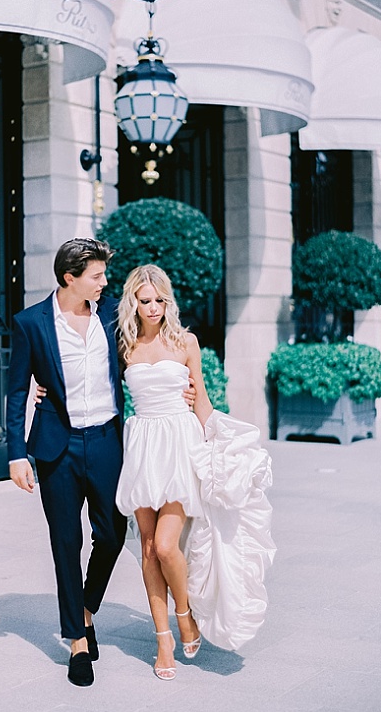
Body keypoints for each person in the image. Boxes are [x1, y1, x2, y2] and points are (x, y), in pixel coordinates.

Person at [113, 265, 275, 680]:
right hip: (143, 446)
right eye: (144, 301)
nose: (152, 308)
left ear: (169, 301)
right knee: (147, 548)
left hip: (179, 446)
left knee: (167, 546)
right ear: (133, 303)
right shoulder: (125, 345)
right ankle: (163, 639)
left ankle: (185, 615)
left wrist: (224, 444)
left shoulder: (185, 342)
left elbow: (200, 398)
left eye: (158, 300)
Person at [5, 238, 128, 687]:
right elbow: (18, 390)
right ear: (69, 278)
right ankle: (77, 641)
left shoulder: (114, 315)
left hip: (107, 440)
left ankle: (85, 608)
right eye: (97, 275)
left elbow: (149, 354)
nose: (104, 282)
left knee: (114, 532)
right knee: (65, 541)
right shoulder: (31, 323)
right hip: (57, 445)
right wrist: (17, 453)